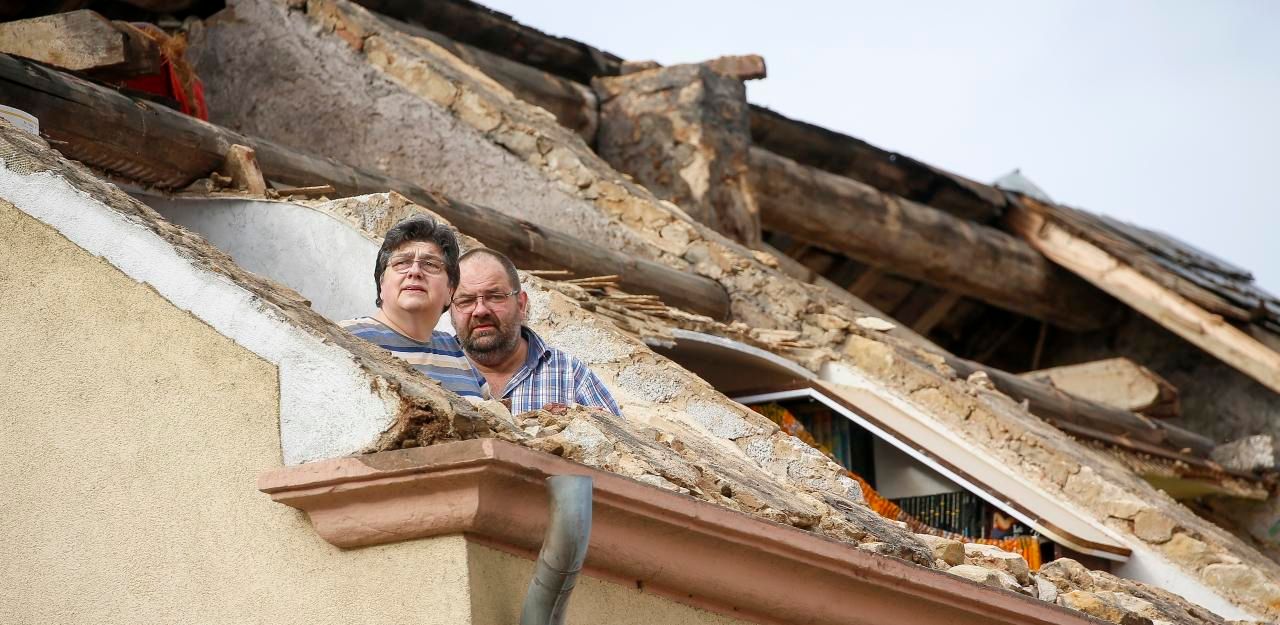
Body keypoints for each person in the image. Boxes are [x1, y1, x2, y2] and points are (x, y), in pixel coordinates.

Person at [450, 248, 622, 416]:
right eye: (466, 300)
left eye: (495, 296)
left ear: (521, 305)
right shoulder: (431, 369)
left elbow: (620, 441)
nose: (480, 310)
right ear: (450, 310)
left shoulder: (570, 375)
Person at [341, 215, 490, 402]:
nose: (415, 272)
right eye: (402, 263)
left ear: (450, 291)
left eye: (430, 264)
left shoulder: (459, 356)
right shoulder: (345, 339)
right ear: (382, 284)